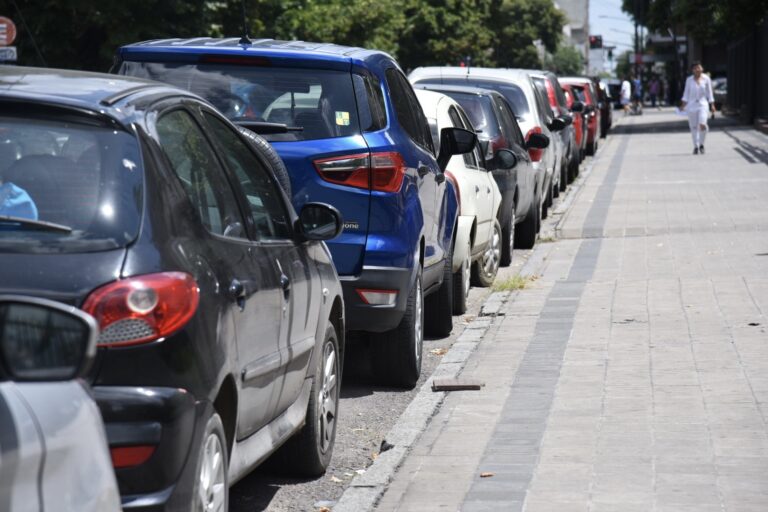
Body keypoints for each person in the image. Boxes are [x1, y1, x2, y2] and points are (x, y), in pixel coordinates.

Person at [681, 61, 715, 155]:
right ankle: (696, 146)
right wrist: (683, 105)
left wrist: (712, 104)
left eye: (698, 67)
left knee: (703, 125)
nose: (697, 69)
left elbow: (710, 93)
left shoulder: (706, 79)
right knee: (694, 127)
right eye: (695, 68)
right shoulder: (689, 80)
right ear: (692, 70)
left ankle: (701, 144)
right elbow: (686, 94)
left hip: (703, 105)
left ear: (702, 68)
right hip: (691, 106)